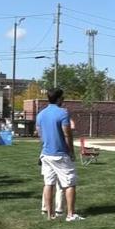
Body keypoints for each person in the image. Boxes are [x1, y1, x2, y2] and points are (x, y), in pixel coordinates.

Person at [37, 88, 83, 221]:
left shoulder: (40, 114)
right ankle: (70, 214)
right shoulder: (62, 113)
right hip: (61, 154)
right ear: (58, 99)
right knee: (69, 183)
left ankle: (50, 214)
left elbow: (40, 135)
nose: (63, 100)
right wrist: (71, 152)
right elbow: (67, 134)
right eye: (62, 98)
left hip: (46, 154)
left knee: (48, 183)